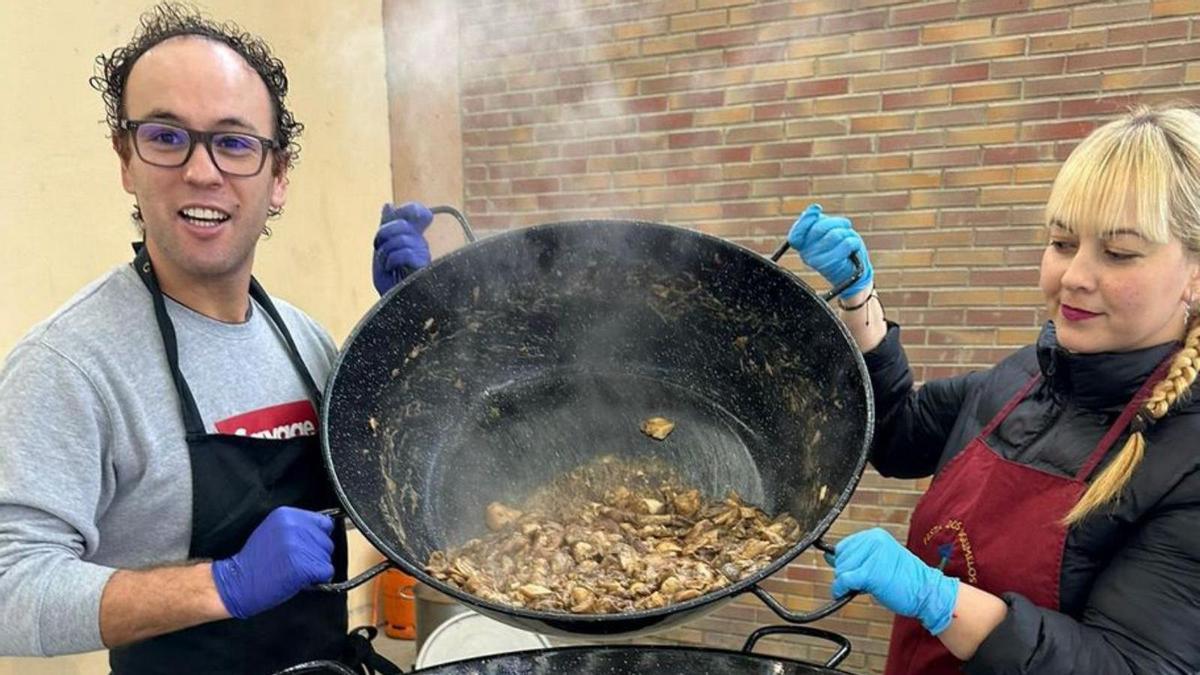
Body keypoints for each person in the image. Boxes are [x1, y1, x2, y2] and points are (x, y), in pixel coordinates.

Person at [0, 4, 430, 673]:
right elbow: (7, 586)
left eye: (233, 142)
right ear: (126, 159)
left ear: (278, 176)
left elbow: (402, 472)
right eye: (168, 136)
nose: (201, 171)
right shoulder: (69, 364)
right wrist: (221, 584)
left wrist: (413, 331)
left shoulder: (305, 338)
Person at [790, 105, 1200, 673]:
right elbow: (895, 434)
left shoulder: (1186, 457)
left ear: (1194, 275)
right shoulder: (1026, 375)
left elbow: (1135, 665)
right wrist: (859, 297)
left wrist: (940, 601)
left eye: (1119, 253)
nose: (1074, 276)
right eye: (1061, 243)